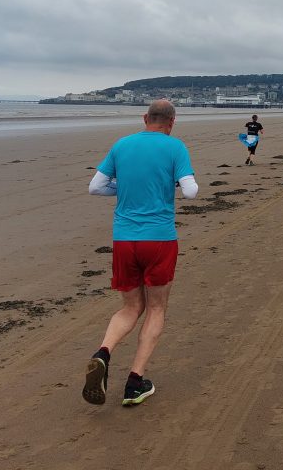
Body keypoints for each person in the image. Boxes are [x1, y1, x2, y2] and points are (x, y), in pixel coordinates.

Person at [84, 99, 199, 407]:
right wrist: (170, 184)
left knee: (130, 307)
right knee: (156, 308)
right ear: (172, 122)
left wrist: (121, 188)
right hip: (159, 239)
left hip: (124, 240)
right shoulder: (175, 147)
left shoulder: (121, 145)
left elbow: (95, 187)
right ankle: (135, 382)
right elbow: (190, 191)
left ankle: (103, 353)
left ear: (145, 117)